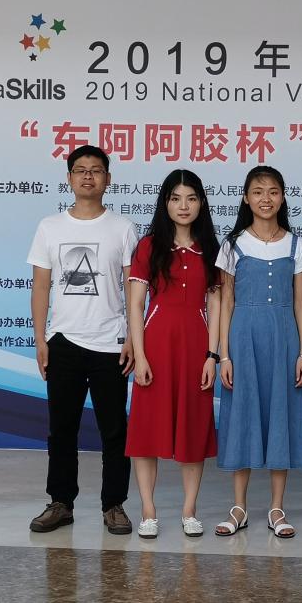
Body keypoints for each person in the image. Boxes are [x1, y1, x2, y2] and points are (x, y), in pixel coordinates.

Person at [27, 145, 139, 535]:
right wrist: (40, 339)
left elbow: (133, 289)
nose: (88, 176)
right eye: (80, 170)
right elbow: (41, 286)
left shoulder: (123, 228)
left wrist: (132, 338)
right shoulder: (50, 227)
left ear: (108, 179)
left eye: (96, 170)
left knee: (115, 431)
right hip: (63, 342)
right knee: (62, 429)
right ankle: (60, 503)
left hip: (110, 344)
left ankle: (114, 505)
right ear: (69, 178)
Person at [214, 166, 302, 539]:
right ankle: (238, 507)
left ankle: (276, 508)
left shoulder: (296, 244)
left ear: (283, 197)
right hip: (243, 338)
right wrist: (224, 355)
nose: (265, 198)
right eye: (258, 191)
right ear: (246, 198)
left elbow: (301, 302)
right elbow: (226, 301)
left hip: (285, 338)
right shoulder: (233, 244)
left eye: (273, 191)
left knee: (280, 416)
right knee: (242, 414)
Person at [125, 169, 222, 539]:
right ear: (165, 202)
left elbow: (215, 305)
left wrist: (212, 355)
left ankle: (189, 510)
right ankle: (148, 510)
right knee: (146, 431)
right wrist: (140, 355)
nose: (184, 206)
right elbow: (136, 305)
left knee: (193, 428)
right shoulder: (149, 246)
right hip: (156, 346)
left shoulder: (211, 248)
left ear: (201, 203)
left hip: (196, 348)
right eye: (176, 198)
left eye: (191, 198)